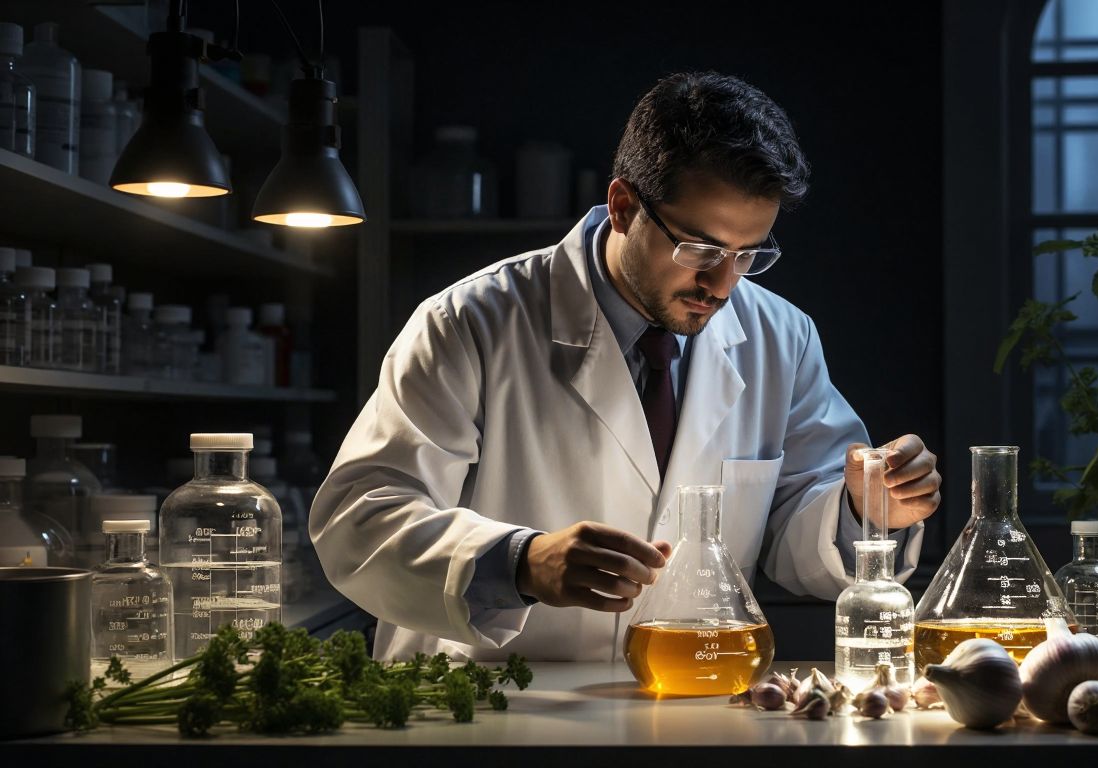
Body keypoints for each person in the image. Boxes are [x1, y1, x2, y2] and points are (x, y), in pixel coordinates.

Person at [310, 72, 942, 661]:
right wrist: (521, 563)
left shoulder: (784, 337)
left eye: (749, 254)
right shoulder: (470, 321)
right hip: (484, 704)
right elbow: (359, 519)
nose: (721, 285)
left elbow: (793, 530)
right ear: (622, 206)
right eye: (700, 248)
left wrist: (861, 505)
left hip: (682, 705)